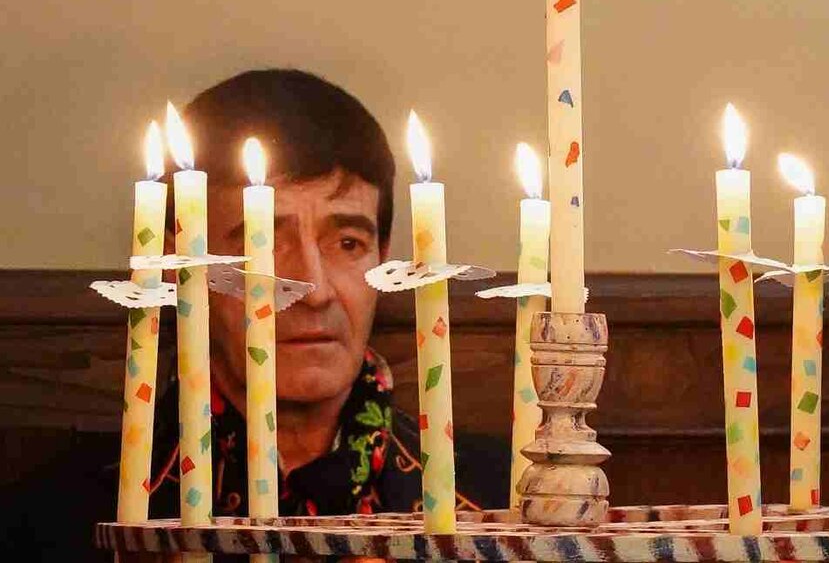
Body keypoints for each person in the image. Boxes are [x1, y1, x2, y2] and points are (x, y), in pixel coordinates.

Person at [0, 69, 508, 558]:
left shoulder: (500, 507)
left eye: (348, 242)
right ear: (180, 265)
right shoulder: (64, 520)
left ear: (386, 257)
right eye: (261, 244)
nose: (315, 291)